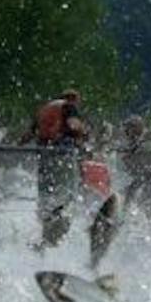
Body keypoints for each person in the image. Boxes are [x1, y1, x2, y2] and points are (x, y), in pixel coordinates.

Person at [28, 89, 90, 223]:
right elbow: (73, 125)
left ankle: (44, 221)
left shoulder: (45, 110)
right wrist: (83, 132)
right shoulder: (69, 107)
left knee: (45, 193)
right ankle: (63, 219)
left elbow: (29, 134)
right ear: (74, 99)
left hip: (44, 158)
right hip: (63, 157)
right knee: (66, 192)